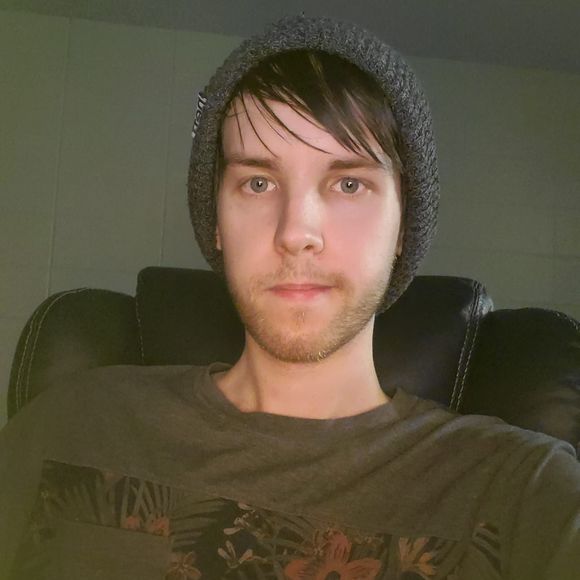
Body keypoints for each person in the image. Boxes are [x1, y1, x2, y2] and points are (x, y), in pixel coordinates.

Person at [1, 14, 579, 580]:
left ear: (404, 227)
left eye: (349, 183)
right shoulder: (70, 426)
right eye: (258, 183)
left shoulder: (526, 494)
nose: (295, 232)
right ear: (217, 222)